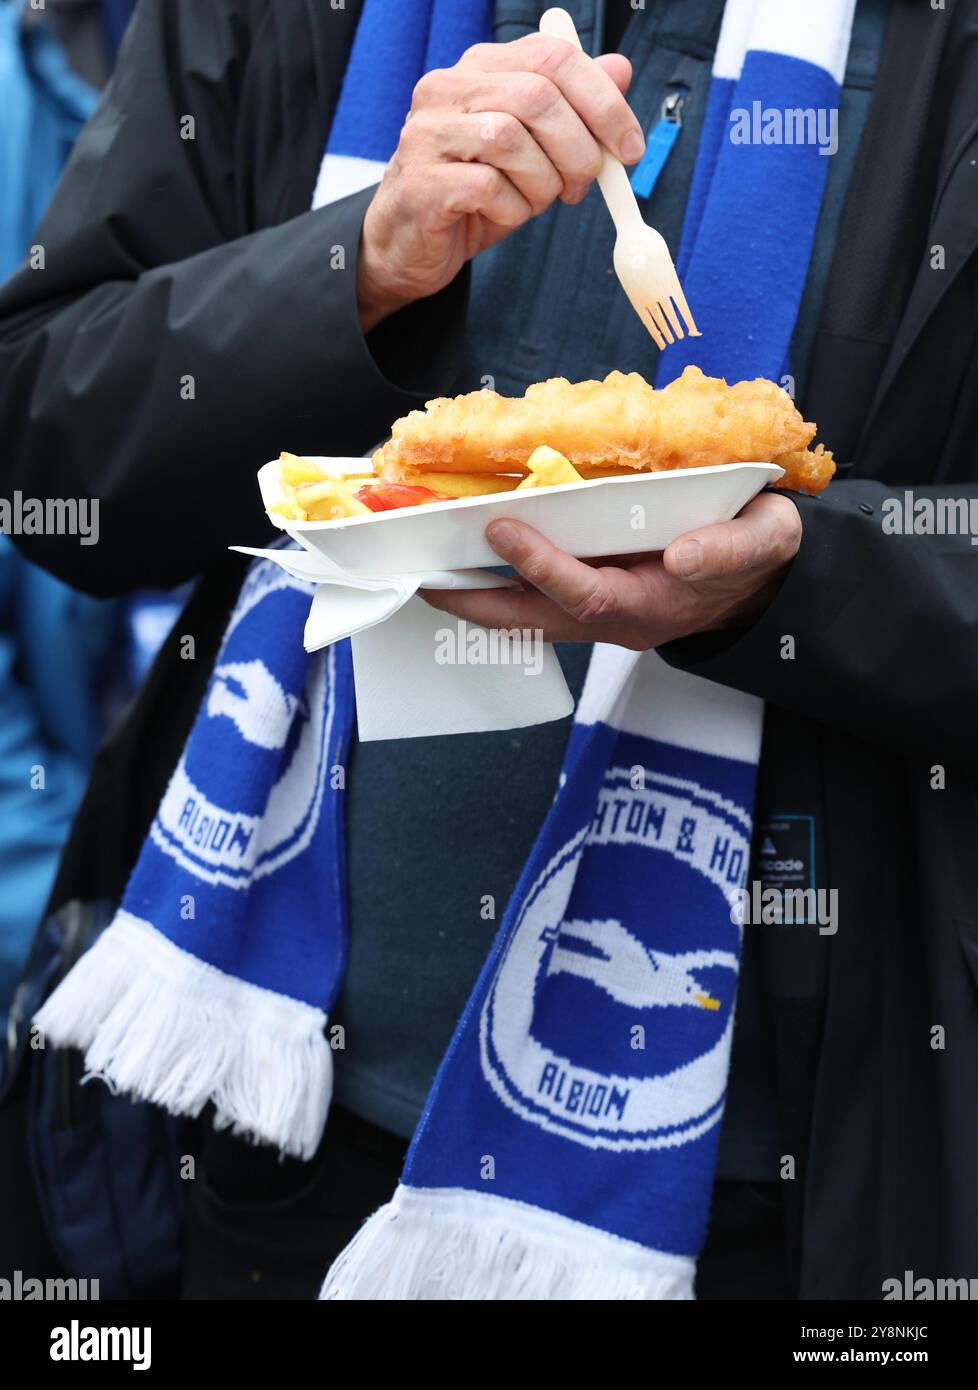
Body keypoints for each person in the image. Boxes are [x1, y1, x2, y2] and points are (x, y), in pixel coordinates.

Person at [0, 0, 976, 1301]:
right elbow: (52, 448)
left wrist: (803, 577)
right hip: (260, 1107)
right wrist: (354, 264)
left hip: (775, 1191)